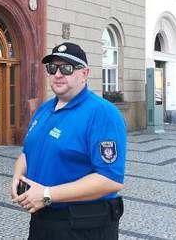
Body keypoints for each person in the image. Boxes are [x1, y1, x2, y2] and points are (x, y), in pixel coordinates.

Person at [11, 42, 126, 240]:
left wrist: (47, 194)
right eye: (52, 68)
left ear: (85, 73)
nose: (58, 74)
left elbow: (110, 180)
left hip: (83, 227)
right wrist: (17, 176)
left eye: (67, 68)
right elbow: (27, 153)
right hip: (43, 221)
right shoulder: (44, 109)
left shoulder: (103, 113)